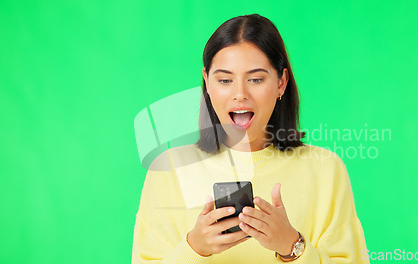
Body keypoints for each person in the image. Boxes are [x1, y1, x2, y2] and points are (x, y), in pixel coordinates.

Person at [131, 14, 369, 263]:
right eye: (224, 80)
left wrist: (292, 246)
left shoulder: (325, 168)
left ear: (281, 83)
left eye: (255, 79)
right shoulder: (169, 169)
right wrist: (194, 248)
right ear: (207, 83)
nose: (240, 94)